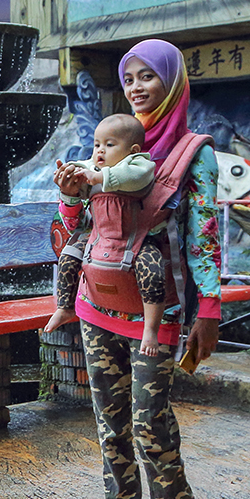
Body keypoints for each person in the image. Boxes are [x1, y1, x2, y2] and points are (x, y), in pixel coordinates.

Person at [43, 38, 221, 499]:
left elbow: (205, 237)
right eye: (131, 76)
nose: (139, 86)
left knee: (150, 422)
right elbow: (77, 226)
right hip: (97, 305)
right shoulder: (106, 144)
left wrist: (209, 307)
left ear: (172, 80)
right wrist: (71, 192)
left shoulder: (194, 151)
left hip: (157, 312)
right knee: (110, 424)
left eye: (149, 75)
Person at [48, 113, 169, 358]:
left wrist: (101, 177)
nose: (100, 151)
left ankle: (150, 328)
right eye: (97, 144)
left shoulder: (138, 165)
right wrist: (67, 186)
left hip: (134, 238)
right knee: (69, 254)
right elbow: (75, 214)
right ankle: (64, 306)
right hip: (98, 238)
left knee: (153, 270)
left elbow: (136, 177)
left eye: (109, 145)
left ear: (133, 150)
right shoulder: (93, 169)